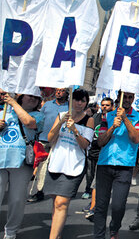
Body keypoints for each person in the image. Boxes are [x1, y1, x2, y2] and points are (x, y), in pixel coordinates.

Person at [94, 91, 139, 239]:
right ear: (119, 98)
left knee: (118, 206)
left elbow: (136, 138)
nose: (127, 100)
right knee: (101, 205)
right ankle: (98, 235)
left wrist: (125, 119)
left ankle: (114, 228)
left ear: (134, 98)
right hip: (105, 164)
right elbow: (100, 142)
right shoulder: (108, 116)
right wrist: (112, 128)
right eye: (125, 97)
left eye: (130, 97)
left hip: (124, 167)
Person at [45, 89, 94, 239]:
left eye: (83, 100)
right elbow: (50, 138)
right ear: (71, 100)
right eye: (77, 99)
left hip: (74, 165)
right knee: (56, 202)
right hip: (56, 163)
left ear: (86, 103)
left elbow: (84, 145)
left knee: (62, 202)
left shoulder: (88, 120)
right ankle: (57, 234)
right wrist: (61, 122)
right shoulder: (61, 116)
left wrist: (74, 130)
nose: (79, 103)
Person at [0, 91, 43, 239]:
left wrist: (13, 103)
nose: (32, 99)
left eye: (36, 97)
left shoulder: (38, 116)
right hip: (1, 160)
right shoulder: (3, 112)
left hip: (22, 163)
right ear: (21, 97)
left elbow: (28, 123)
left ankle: (10, 232)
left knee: (16, 200)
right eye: (29, 95)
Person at [29, 88, 69, 203]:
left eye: (61, 91)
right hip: (43, 139)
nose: (58, 92)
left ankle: (57, 190)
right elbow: (40, 119)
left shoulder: (69, 107)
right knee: (42, 167)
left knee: (55, 167)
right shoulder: (47, 105)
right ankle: (39, 191)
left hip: (59, 141)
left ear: (66, 93)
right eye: (57, 90)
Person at [83, 97, 114, 200]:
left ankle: (97, 195)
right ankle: (88, 190)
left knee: (100, 176)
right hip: (93, 150)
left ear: (112, 107)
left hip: (105, 151)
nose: (104, 107)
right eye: (103, 105)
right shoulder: (94, 117)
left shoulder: (113, 119)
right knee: (89, 173)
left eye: (107, 105)